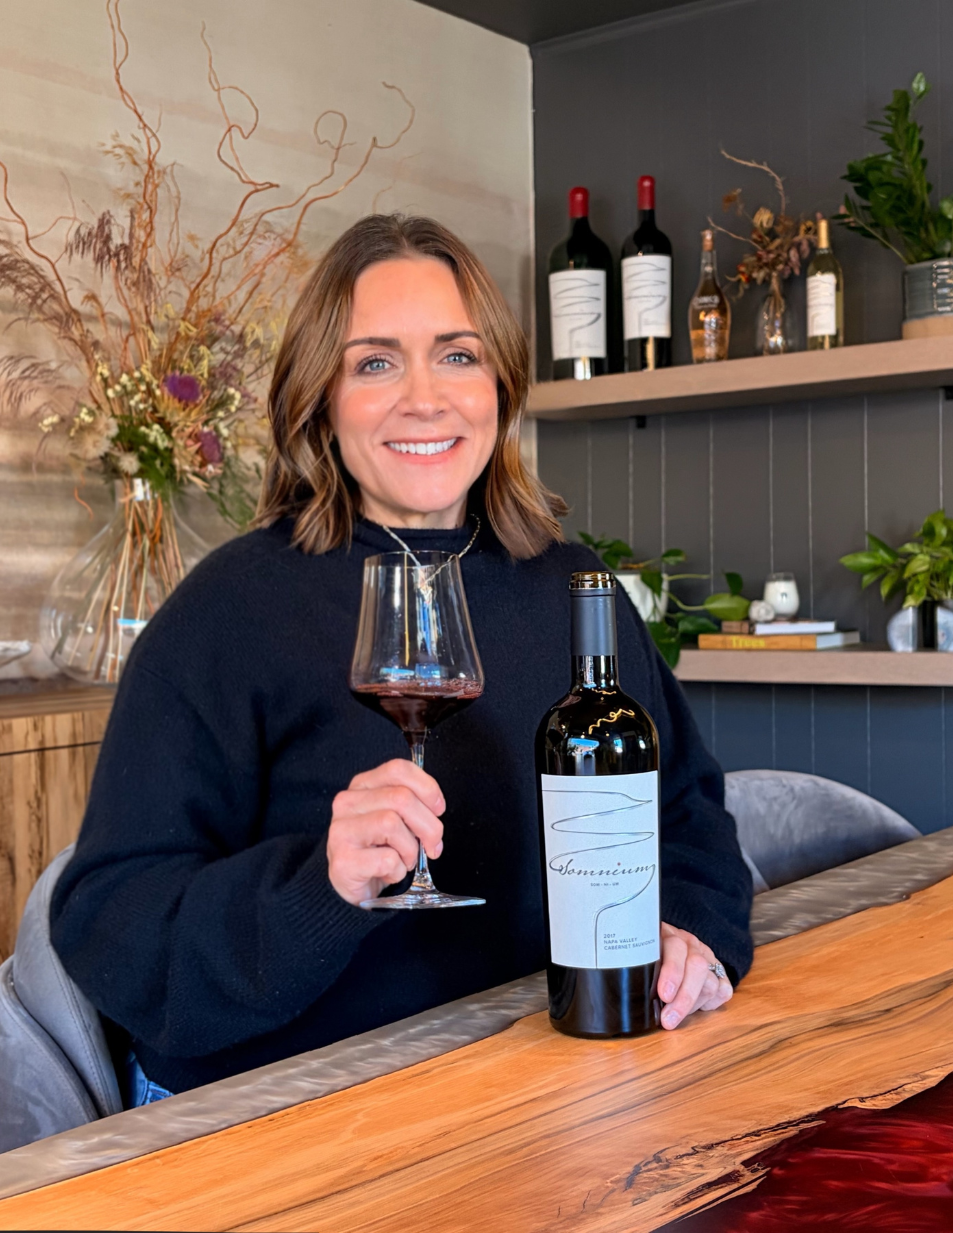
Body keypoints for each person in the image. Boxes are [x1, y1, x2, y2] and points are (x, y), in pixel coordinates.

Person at [50, 214, 753, 1100]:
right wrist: (321, 884)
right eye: (375, 362)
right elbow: (110, 920)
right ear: (320, 399)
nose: (425, 397)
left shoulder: (575, 589)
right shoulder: (229, 611)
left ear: (498, 383)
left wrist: (689, 934)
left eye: (457, 355)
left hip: (548, 1073)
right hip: (288, 1103)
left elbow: (686, 816)